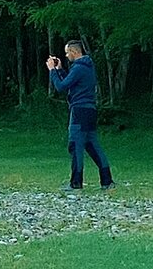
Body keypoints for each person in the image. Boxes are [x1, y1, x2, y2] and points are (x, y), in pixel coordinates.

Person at [46, 40, 114, 191]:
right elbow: (72, 82)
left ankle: (76, 182)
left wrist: (52, 71)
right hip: (90, 110)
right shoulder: (87, 66)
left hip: (79, 111)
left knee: (75, 145)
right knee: (92, 144)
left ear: (74, 52)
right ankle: (107, 180)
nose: (66, 55)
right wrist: (60, 70)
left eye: (67, 53)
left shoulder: (78, 68)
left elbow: (61, 87)